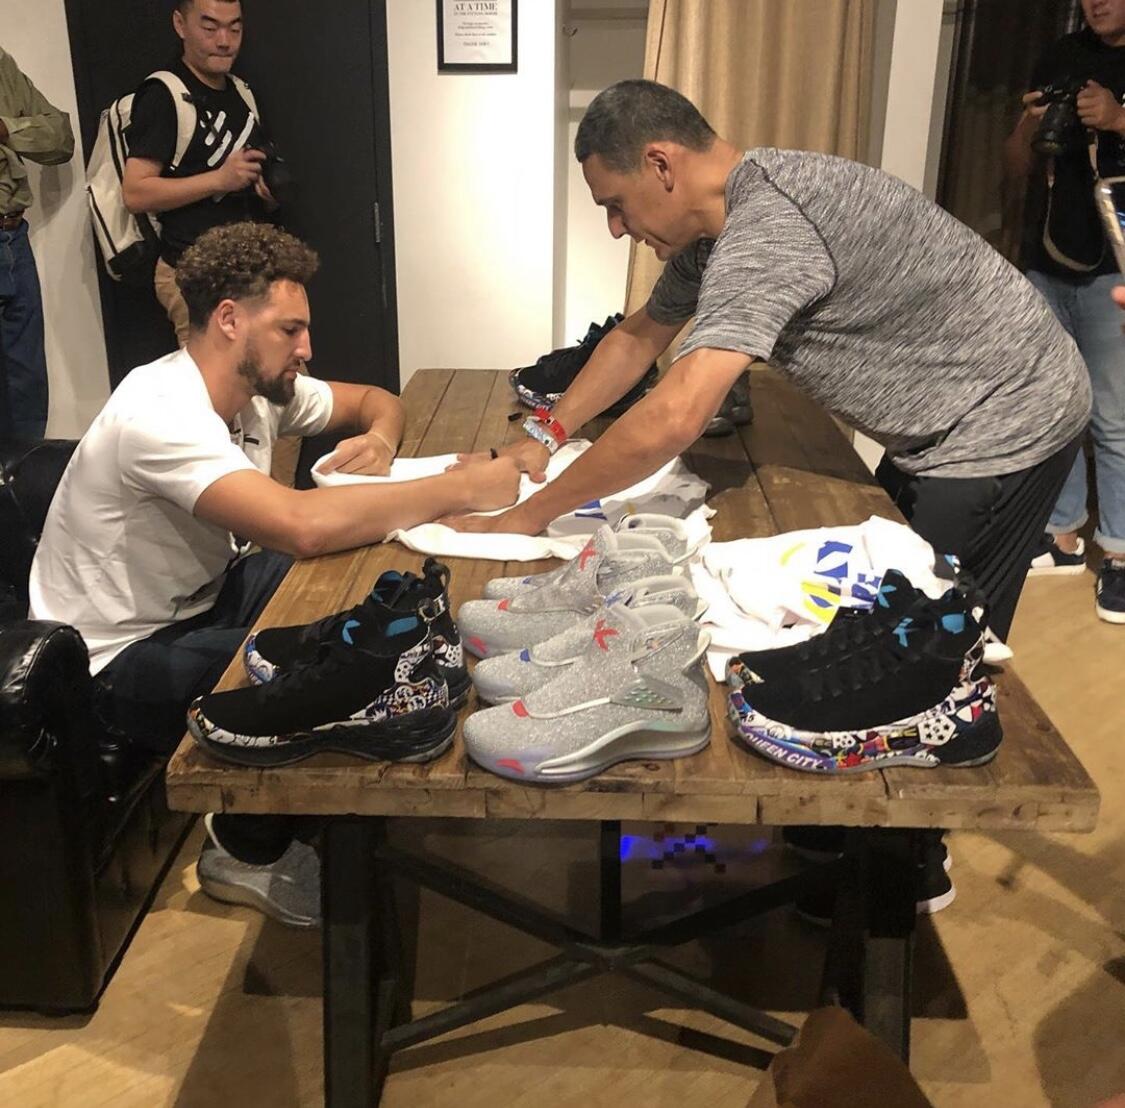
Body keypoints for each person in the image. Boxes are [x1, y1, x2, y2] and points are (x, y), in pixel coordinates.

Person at [449, 78, 1090, 647]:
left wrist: (528, 517)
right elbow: (637, 337)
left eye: (615, 203)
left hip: (1009, 415)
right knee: (875, 610)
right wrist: (544, 436)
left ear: (660, 164)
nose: (617, 228)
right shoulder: (717, 230)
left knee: (929, 643)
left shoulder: (772, 225)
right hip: (942, 418)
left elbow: (677, 414)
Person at [28, 221, 519, 926]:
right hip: (112, 657)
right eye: (291, 330)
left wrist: (381, 441)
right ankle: (243, 849)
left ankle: (332, 804)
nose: (307, 348)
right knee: (333, 667)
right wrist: (462, 488)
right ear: (230, 319)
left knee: (365, 586)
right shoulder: (157, 413)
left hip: (203, 598)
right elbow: (299, 525)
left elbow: (377, 399)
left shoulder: (259, 389)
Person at [1004, 0, 1125, 623]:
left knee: (1115, 417)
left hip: (1115, 268)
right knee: (1055, 408)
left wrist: (1118, 119)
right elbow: (1018, 165)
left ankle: (1121, 554)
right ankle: (1063, 535)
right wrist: (1030, 125)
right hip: (1047, 259)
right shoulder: (1061, 54)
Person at [122, 0, 276, 347]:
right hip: (192, 273)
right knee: (213, 380)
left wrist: (262, 189)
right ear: (180, 25)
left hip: (249, 271)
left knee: (280, 368)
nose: (224, 41)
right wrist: (219, 180)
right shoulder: (164, 95)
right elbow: (135, 193)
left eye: (234, 28)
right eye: (209, 27)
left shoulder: (242, 93)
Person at [0, 45, 74, 438]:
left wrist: (7, 129)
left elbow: (60, 137)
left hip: (13, 236)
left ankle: (24, 472)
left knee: (27, 383)